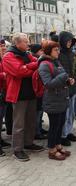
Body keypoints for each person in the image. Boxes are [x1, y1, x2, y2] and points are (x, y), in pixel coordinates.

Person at [2, 33, 44, 161]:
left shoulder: (26, 54)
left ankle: (28, 143)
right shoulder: (8, 56)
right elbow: (19, 71)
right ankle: (18, 149)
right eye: (26, 42)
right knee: (19, 124)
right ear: (17, 43)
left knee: (31, 121)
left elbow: (37, 63)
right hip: (18, 95)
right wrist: (31, 68)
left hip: (31, 93)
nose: (28, 44)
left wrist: (28, 67)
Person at [38, 41, 73, 160]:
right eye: (55, 50)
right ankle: (51, 150)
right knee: (54, 126)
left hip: (61, 98)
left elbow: (61, 77)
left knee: (60, 124)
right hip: (52, 100)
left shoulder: (56, 61)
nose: (58, 52)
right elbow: (48, 84)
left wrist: (68, 81)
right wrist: (64, 77)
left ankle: (58, 145)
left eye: (58, 49)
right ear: (49, 51)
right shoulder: (44, 64)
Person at [58, 31, 76, 146]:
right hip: (64, 87)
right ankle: (62, 135)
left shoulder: (72, 53)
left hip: (73, 86)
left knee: (71, 113)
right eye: (68, 40)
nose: (69, 43)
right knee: (64, 113)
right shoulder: (58, 54)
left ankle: (69, 131)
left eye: (71, 41)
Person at [30, 44, 48, 140]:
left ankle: (40, 128)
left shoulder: (39, 59)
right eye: (41, 50)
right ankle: (36, 132)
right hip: (37, 91)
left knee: (40, 111)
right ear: (36, 51)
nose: (42, 51)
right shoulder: (36, 60)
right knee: (37, 112)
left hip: (41, 90)